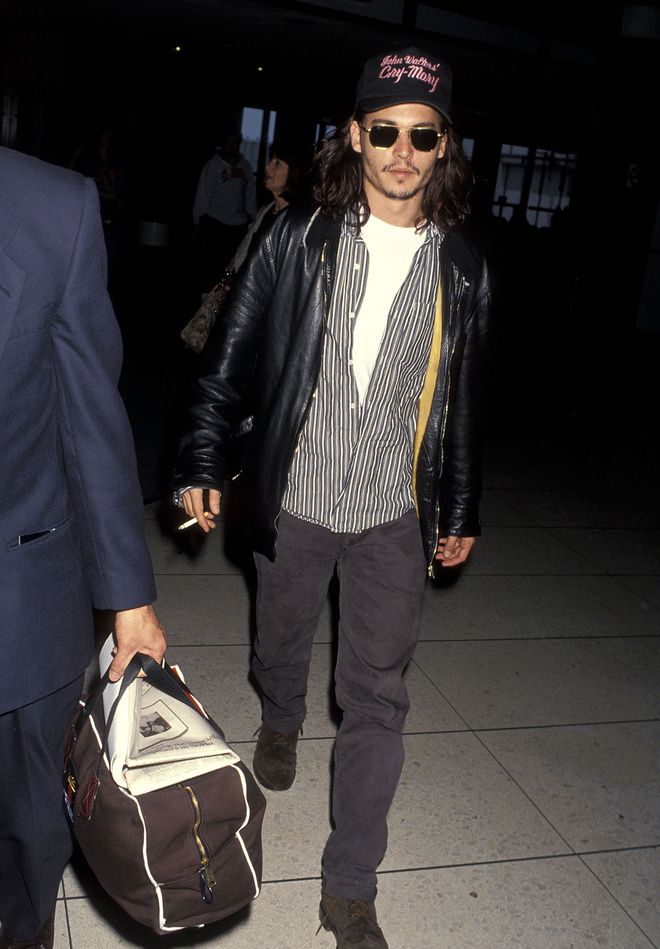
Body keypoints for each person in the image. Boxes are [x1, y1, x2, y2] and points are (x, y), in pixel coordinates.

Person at [172, 45, 491, 949]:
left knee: (378, 698)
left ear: (443, 147)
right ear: (354, 136)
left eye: (421, 135)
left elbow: (465, 404)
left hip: (393, 511)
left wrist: (459, 507)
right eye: (383, 129)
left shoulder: (463, 269)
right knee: (282, 640)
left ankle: (350, 884)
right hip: (299, 495)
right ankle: (279, 712)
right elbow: (228, 359)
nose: (401, 150)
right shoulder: (296, 237)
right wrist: (200, 454)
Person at [0, 145, 167, 949]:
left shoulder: (50, 210)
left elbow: (92, 422)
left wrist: (128, 600)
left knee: (34, 820)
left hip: (20, 588)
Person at [191, 129, 258, 293]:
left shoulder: (245, 167)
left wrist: (254, 219)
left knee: (233, 267)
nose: (232, 146)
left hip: (237, 224)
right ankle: (206, 302)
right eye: (228, 142)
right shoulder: (212, 166)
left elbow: (250, 195)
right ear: (223, 144)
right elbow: (203, 194)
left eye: (235, 142)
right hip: (215, 222)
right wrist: (197, 220)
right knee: (212, 267)